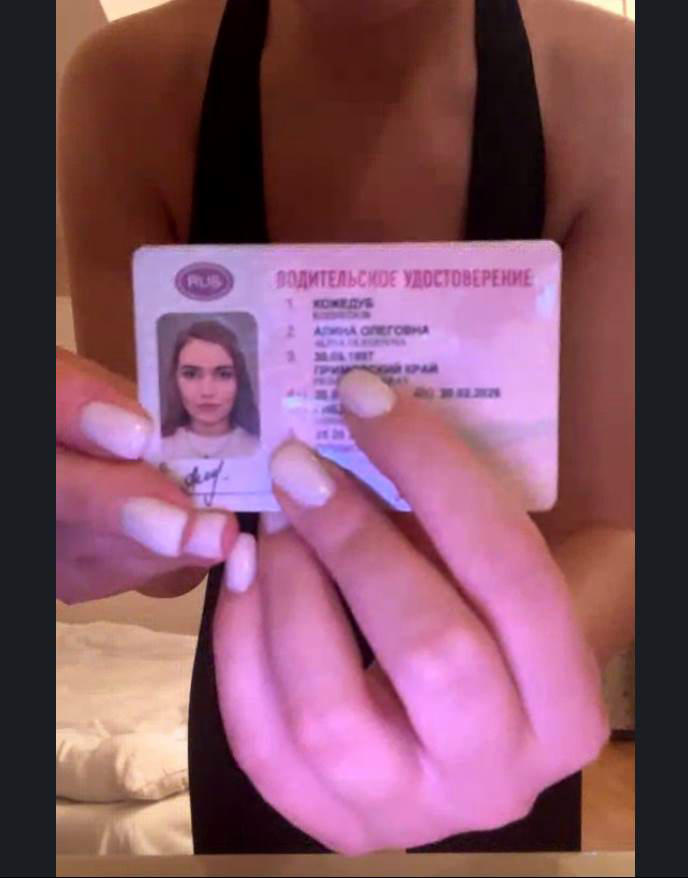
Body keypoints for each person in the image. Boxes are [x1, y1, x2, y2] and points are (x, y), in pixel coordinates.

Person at [57, 0, 634, 856]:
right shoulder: (124, 85)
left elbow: (615, 527)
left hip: (512, 716)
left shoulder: (616, 83)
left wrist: (479, 696)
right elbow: (165, 564)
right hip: (259, 711)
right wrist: (99, 518)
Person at [161, 320, 260, 460]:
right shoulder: (158, 449)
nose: (207, 392)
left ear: (239, 380)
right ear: (175, 379)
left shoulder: (258, 449)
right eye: (191, 374)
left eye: (224, 375)